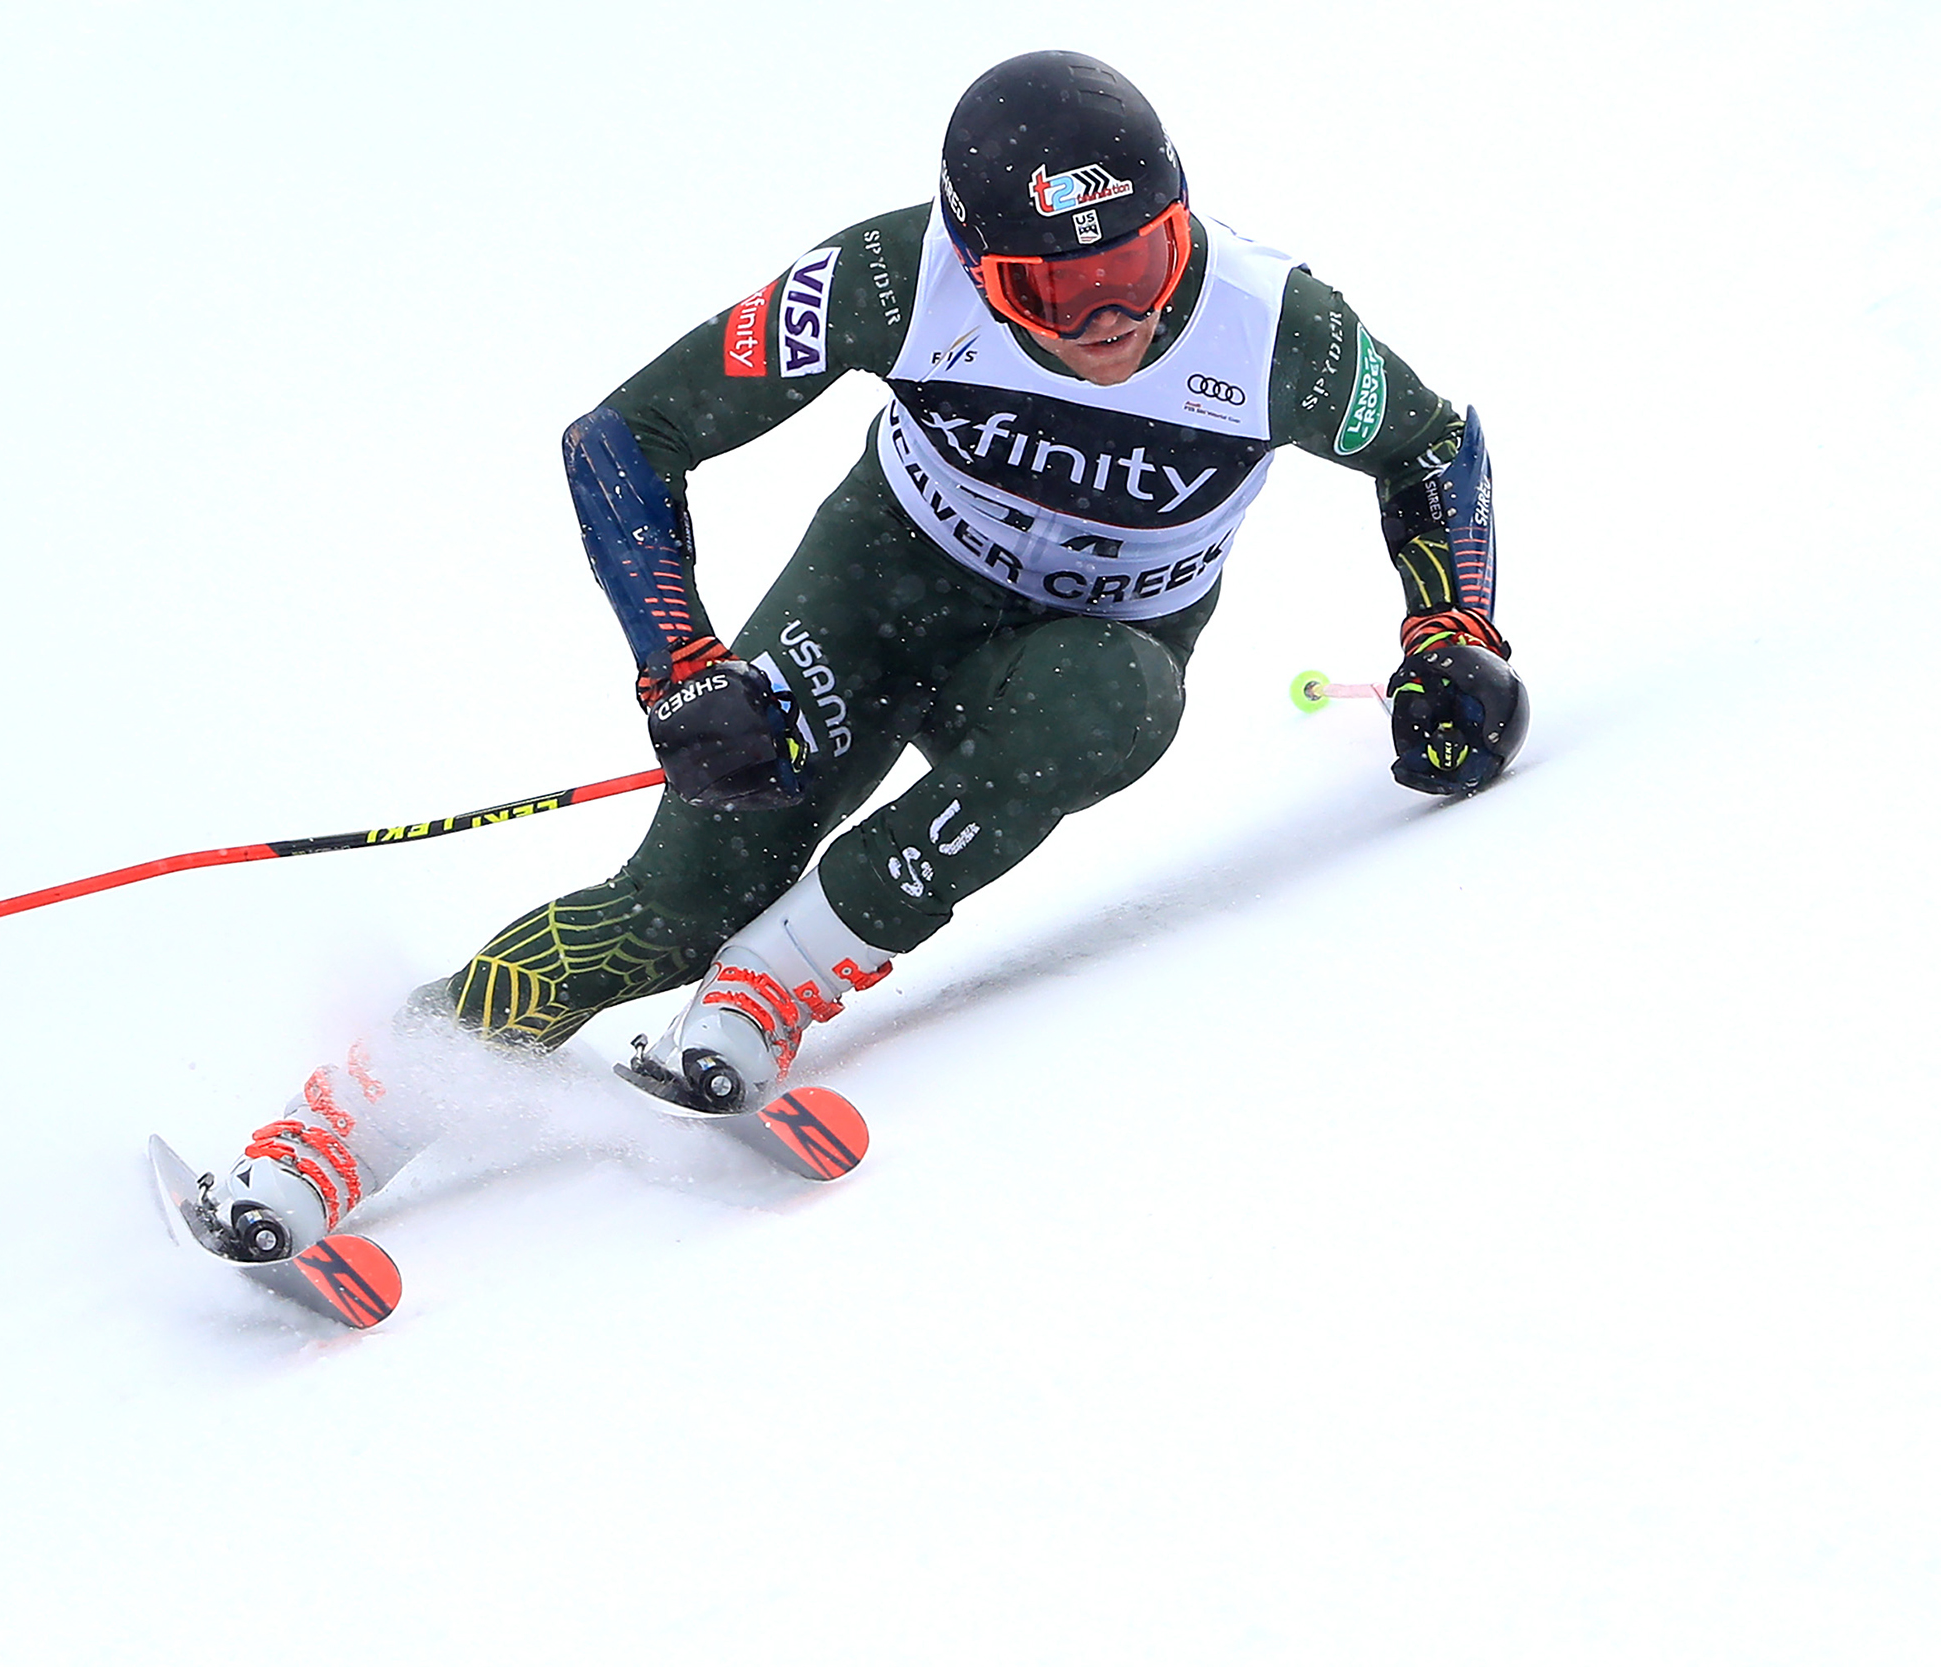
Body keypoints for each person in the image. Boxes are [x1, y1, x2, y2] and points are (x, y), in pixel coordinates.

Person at [195, 50, 1529, 1263]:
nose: (1111, 314)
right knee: (669, 909)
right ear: (975, 259)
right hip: (875, 605)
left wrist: (1450, 638)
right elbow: (626, 434)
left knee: (1117, 699)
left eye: (1139, 262)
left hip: (1079, 651)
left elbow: (1428, 446)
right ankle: (331, 1134)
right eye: (1050, 290)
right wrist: (683, 666)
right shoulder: (898, 278)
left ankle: (776, 983)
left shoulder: (1273, 327)